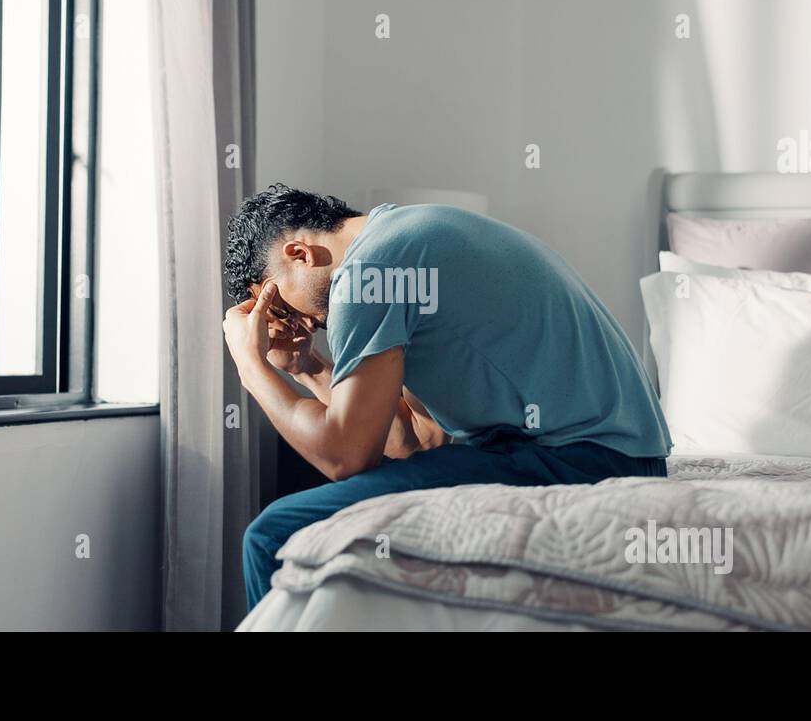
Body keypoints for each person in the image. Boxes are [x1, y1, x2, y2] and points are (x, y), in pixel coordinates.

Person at [222, 184, 671, 612]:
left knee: (273, 535)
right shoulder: (403, 240)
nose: (295, 324)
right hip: (620, 456)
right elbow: (417, 439)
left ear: (299, 254)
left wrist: (250, 366)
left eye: (277, 306)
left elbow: (345, 456)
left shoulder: (367, 273)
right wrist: (306, 366)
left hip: (580, 460)